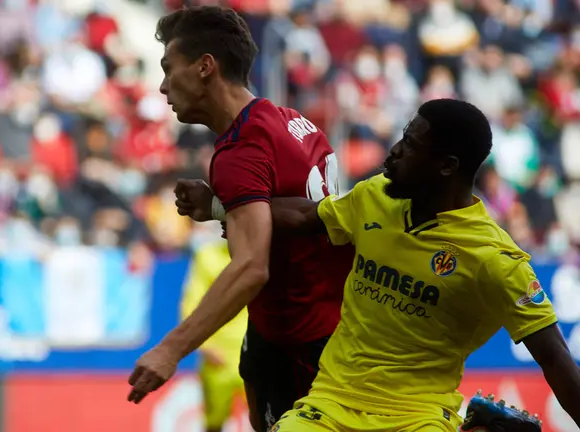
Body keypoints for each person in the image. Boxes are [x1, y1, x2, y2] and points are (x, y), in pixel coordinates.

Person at [175, 99, 580, 431]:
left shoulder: (496, 260)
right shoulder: (375, 197)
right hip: (329, 403)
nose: (395, 150)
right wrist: (217, 206)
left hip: (416, 417)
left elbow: (556, 359)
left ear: (447, 166)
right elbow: (303, 216)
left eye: (411, 144)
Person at [126, 6, 354, 431]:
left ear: (205, 67)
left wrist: (171, 349)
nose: (162, 86)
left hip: (300, 342)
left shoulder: (239, 152)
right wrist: (219, 206)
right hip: (325, 326)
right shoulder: (292, 122)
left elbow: (251, 266)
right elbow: (304, 214)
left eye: (168, 68)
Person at [180, 239, 247, 432]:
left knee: (268, 418)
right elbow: (191, 304)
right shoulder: (207, 257)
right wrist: (206, 345)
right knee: (214, 421)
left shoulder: (266, 254)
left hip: (257, 352)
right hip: (219, 355)